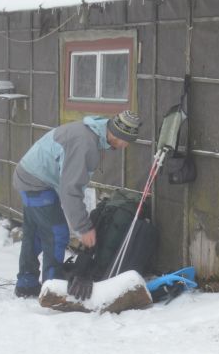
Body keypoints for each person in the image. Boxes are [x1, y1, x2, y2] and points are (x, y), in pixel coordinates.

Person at [12, 110, 142, 298]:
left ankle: (26, 283)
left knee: (34, 234)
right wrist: (84, 228)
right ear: (116, 133)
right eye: (125, 141)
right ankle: (52, 290)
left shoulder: (93, 132)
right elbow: (70, 190)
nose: (125, 146)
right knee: (57, 234)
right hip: (36, 182)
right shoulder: (85, 144)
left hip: (28, 176)